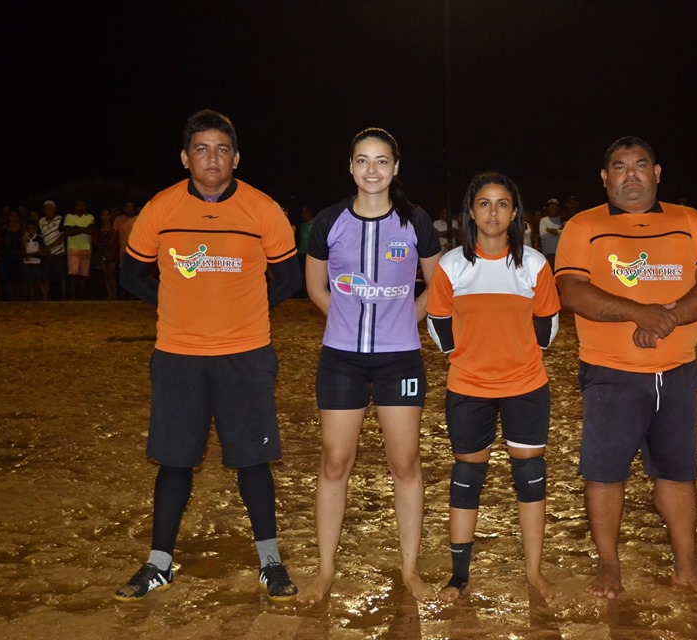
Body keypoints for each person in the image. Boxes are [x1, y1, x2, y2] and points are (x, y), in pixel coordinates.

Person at [115, 109, 302, 603]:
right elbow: (131, 274)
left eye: (222, 149)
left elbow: (290, 277)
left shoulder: (263, 209)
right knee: (174, 462)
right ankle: (159, 563)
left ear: (236, 158)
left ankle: (270, 561)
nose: (212, 158)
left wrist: (248, 311)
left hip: (246, 356)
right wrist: (173, 304)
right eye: (201, 149)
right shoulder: (161, 208)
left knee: (254, 460)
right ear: (185, 158)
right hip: (179, 356)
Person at [555, 136, 697, 599]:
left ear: (657, 172)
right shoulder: (582, 226)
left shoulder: (689, 221)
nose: (630, 174)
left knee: (678, 473)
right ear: (604, 177)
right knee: (605, 473)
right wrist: (639, 312)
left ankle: (686, 565)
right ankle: (609, 566)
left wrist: (667, 317)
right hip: (610, 373)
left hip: (677, 372)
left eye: (640, 165)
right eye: (619, 166)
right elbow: (571, 291)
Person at [300, 127, 441, 604]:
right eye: (363, 160)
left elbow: (436, 286)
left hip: (400, 359)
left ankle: (409, 570)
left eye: (382, 161)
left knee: (405, 464)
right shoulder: (328, 221)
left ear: (395, 168)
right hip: (341, 360)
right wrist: (345, 318)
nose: (372, 169)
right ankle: (324, 571)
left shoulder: (416, 221)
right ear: (351, 167)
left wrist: (403, 317)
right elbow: (316, 288)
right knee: (335, 462)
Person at [426, 171, 562, 603]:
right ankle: (458, 577)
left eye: (502, 204)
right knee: (467, 476)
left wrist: (518, 356)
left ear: (515, 212)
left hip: (525, 385)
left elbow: (548, 327)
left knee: (530, 477)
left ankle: (535, 572)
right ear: (471, 211)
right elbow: (438, 325)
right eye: (484, 203)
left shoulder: (535, 265)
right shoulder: (452, 266)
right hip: (469, 386)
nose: (493, 212)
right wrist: (466, 357)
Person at [63, 200, 96, 299]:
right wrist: (84, 229)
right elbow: (67, 232)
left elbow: (91, 231)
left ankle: (81, 297)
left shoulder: (90, 217)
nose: (81, 207)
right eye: (79, 205)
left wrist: (76, 229)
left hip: (86, 248)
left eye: (83, 205)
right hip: (73, 248)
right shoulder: (69, 216)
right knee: (73, 274)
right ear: (74, 207)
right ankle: (73, 296)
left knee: (84, 275)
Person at [39, 200, 67, 300]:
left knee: (61, 275)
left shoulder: (60, 219)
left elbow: (63, 235)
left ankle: (63, 295)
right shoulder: (41, 221)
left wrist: (50, 246)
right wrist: (45, 249)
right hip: (47, 252)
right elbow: (41, 236)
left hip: (59, 251)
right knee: (45, 275)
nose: (48, 210)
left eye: (50, 208)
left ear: (54, 209)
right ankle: (45, 296)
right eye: (46, 208)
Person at [539, 198, 563, 269]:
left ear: (558, 208)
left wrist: (550, 230)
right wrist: (558, 232)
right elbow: (543, 235)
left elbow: (564, 234)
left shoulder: (561, 219)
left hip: (560, 253)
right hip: (547, 254)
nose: (551, 208)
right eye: (550, 207)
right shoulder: (543, 220)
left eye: (554, 206)